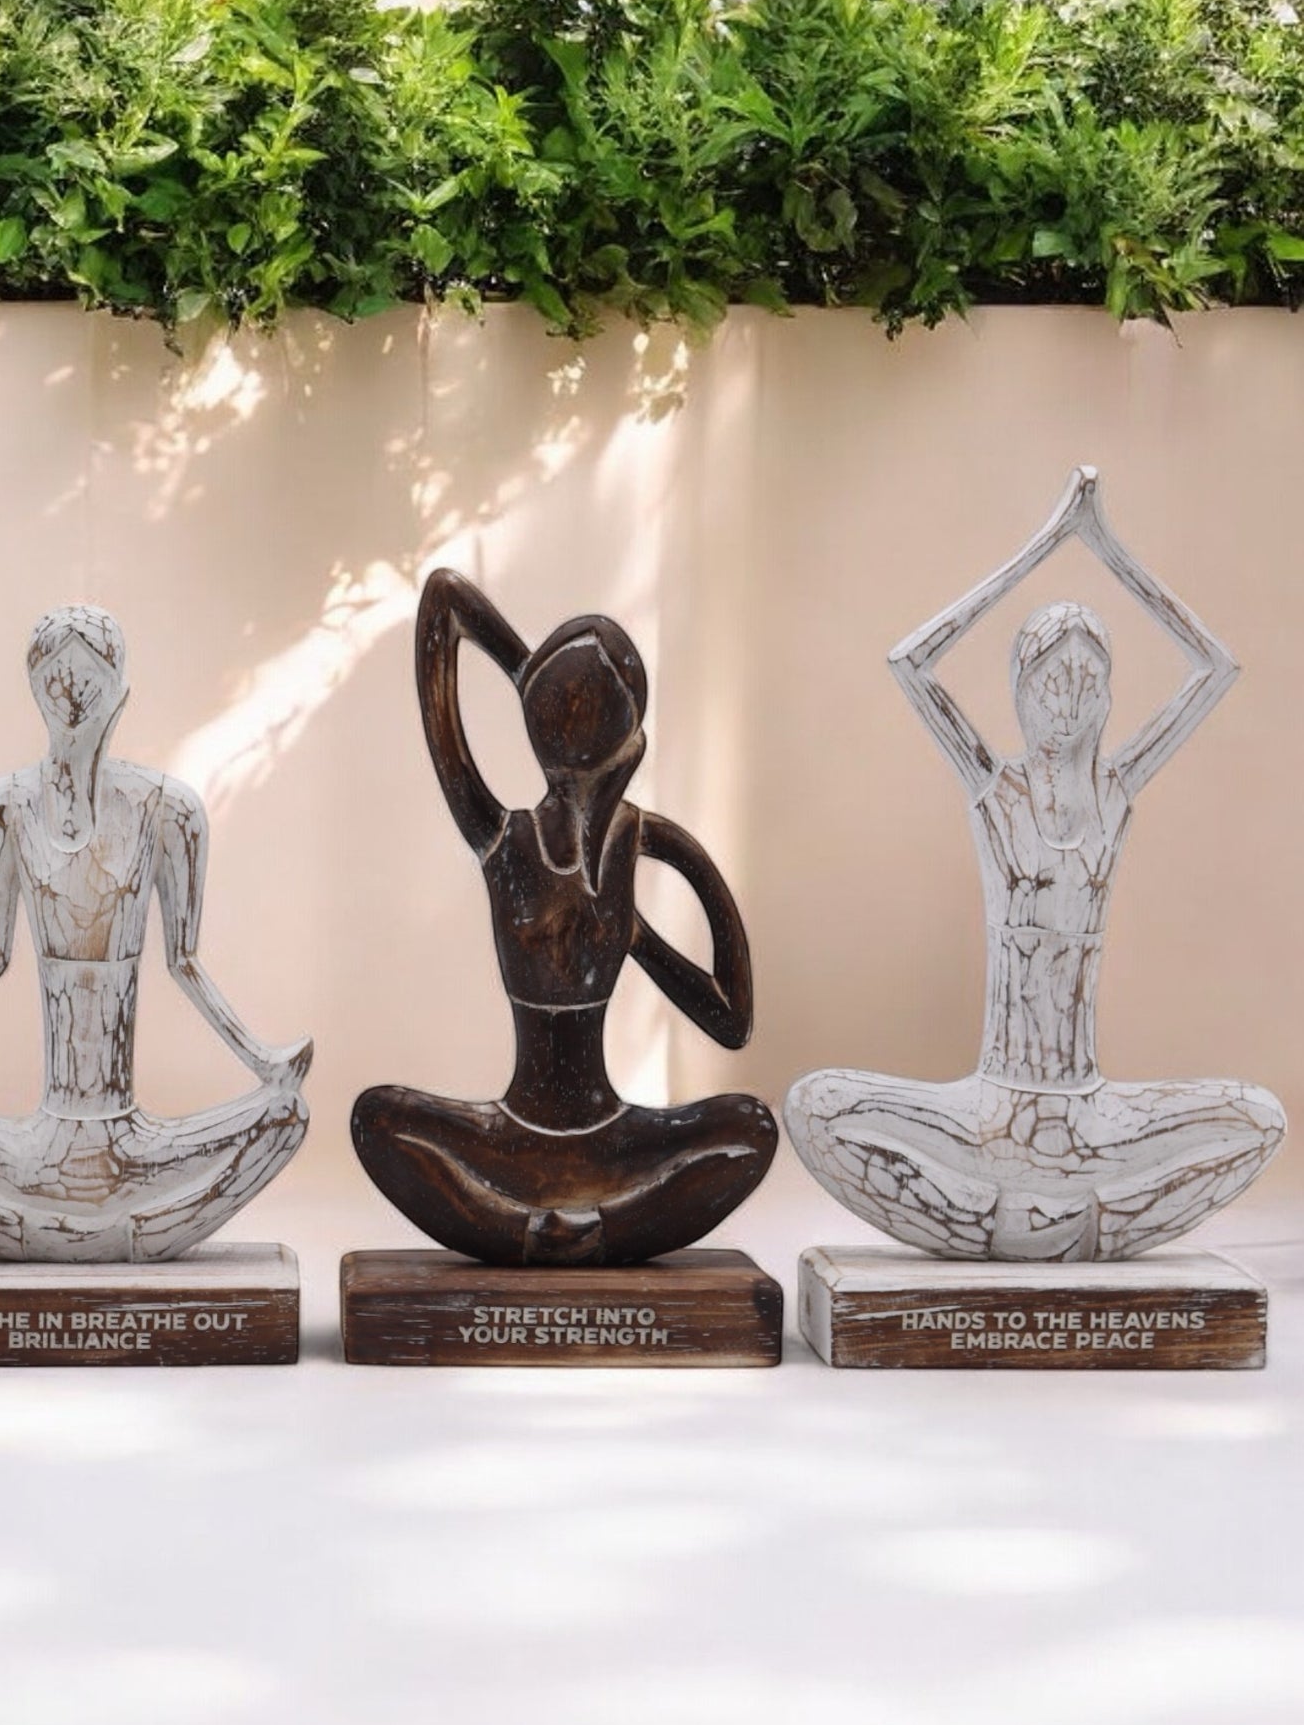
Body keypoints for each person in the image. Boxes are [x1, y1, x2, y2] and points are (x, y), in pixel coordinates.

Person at [786, 468, 1284, 1260]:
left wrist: (1106, 547)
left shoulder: (1117, 790)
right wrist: (1049, 543)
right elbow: (911, 663)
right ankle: (1050, 1221)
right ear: (1019, 688)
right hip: (989, 1113)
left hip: (1093, 1117)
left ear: (1110, 699)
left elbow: (1214, 668)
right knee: (814, 1106)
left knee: (1260, 1118)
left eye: (1087, 682)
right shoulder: (995, 788)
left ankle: (1031, 1221)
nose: (1067, 701)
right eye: (1051, 679)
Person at [0, 604, 311, 1262]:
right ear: (34, 689)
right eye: (56, 678)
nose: (72, 696)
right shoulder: (2, 808)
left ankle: (83, 1228)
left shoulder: (167, 808)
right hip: (41, 1145)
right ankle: (88, 1231)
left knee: (287, 1116)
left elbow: (185, 962)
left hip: (133, 1145)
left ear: (121, 692)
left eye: (89, 677)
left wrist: (264, 1062)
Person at [350, 569, 776, 1267]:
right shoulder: (503, 839)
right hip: (511, 1134)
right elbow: (444, 603)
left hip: (610, 1136)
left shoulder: (637, 839)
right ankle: (543, 1229)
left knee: (748, 1128)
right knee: (378, 1118)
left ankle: (572, 1229)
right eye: (563, 704)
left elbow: (732, 1020)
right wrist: (532, 675)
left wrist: (636, 936)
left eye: (579, 705)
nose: (565, 715)